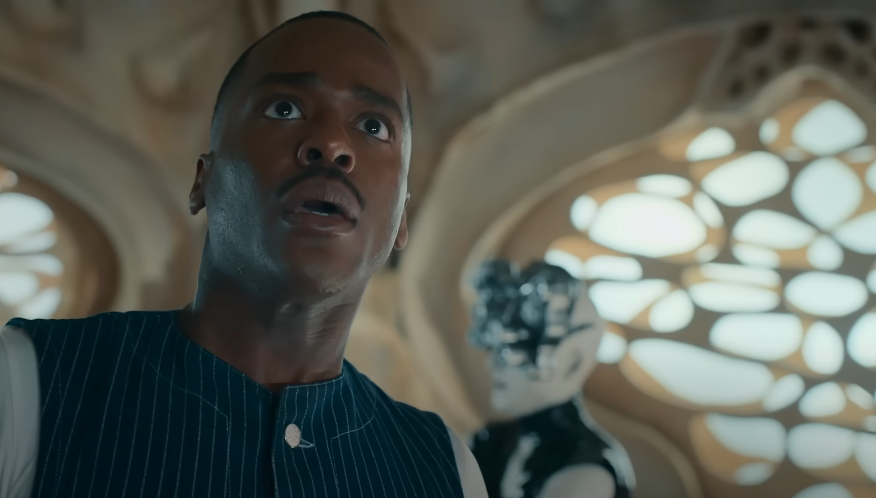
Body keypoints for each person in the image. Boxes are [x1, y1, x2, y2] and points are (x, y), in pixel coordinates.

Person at [0, 11, 488, 498]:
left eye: (374, 126)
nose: (332, 144)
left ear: (401, 219)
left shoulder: (445, 471)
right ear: (203, 181)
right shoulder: (27, 386)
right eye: (285, 109)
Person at [467, 260, 635, 498]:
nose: (492, 363)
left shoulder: (586, 473)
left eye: (516, 350)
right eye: (494, 347)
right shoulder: (491, 443)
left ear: (572, 362)